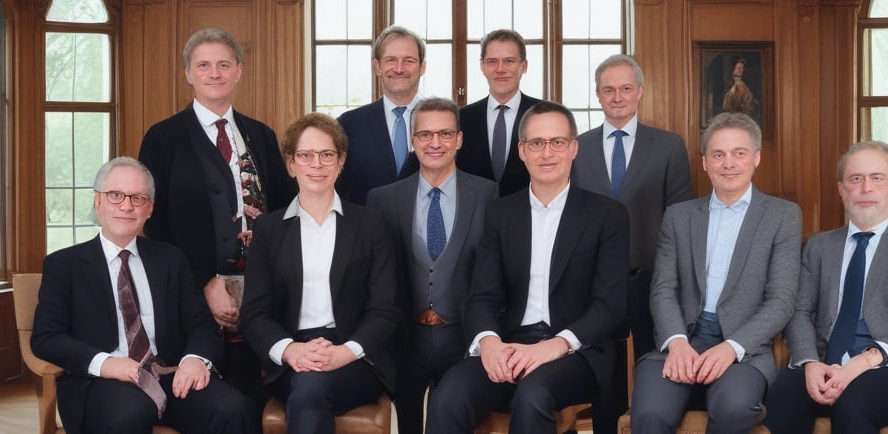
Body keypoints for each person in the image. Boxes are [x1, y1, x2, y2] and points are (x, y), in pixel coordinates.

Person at [424, 101, 629, 434]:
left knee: (533, 394)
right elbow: (482, 296)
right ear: (522, 151)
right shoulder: (500, 213)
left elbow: (610, 305)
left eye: (557, 142)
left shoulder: (608, 215)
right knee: (449, 393)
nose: (546, 153)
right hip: (510, 344)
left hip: (576, 351)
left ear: (573, 148)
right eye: (536, 143)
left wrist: (554, 346)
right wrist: (488, 343)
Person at [31, 157, 259, 434]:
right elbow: (46, 338)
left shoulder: (171, 259)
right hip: (106, 383)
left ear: (149, 208)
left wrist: (194, 360)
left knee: (235, 410)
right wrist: (106, 364)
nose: (126, 206)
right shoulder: (63, 265)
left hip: (171, 375)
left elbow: (201, 325)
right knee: (126, 418)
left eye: (138, 198)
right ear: (98, 201)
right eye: (115, 196)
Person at [138, 27, 295, 401]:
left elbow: (284, 209)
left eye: (223, 64)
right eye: (203, 65)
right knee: (208, 397)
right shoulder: (163, 138)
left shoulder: (261, 135)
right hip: (193, 289)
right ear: (188, 73)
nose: (214, 73)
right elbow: (154, 222)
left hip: (261, 289)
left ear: (238, 71)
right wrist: (204, 281)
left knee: (253, 392)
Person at [764, 141, 888, 434]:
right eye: (856, 179)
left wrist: (868, 359)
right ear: (842, 189)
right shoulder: (819, 246)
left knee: (853, 401)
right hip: (824, 364)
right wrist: (809, 361)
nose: (865, 188)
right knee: (782, 395)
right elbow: (799, 311)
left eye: (876, 178)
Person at [631, 112, 802, 434]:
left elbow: (781, 301)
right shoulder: (679, 217)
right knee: (650, 416)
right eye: (718, 155)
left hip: (744, 350)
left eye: (739, 153)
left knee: (734, 409)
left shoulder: (783, 216)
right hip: (682, 340)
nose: (729, 164)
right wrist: (677, 342)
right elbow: (663, 289)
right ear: (705, 162)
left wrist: (731, 347)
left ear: (756, 158)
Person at [240, 113, 402, 433]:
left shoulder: (370, 225)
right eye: (305, 155)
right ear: (291, 164)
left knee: (309, 391)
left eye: (327, 155)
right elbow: (255, 313)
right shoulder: (268, 230)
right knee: (307, 388)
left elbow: (385, 309)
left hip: (356, 356)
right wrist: (289, 351)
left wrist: (345, 353)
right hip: (291, 354)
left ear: (340, 162)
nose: (317, 164)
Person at [571, 54, 693, 434]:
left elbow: (680, 219)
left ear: (639, 92)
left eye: (626, 88)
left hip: (651, 280)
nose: (617, 96)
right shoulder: (578, 147)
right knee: (604, 376)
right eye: (609, 89)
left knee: (650, 370)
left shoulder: (669, 146)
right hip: (593, 284)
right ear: (597, 95)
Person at [367, 97, 499, 434]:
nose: (435, 143)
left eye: (444, 134)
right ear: (412, 142)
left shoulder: (488, 195)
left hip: (464, 338)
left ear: (459, 139)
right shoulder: (382, 199)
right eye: (425, 135)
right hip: (404, 341)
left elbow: (495, 271)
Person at [337, 25, 426, 204]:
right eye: (391, 60)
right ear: (377, 67)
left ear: (422, 67)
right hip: (366, 228)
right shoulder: (349, 124)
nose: (399, 68)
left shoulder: (442, 122)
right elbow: (337, 189)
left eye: (409, 61)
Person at [456, 29, 542, 196]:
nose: (500, 69)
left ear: (523, 66)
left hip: (530, 216)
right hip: (476, 218)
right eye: (492, 62)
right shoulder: (462, 118)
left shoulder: (544, 116)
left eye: (509, 61)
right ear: (482, 66)